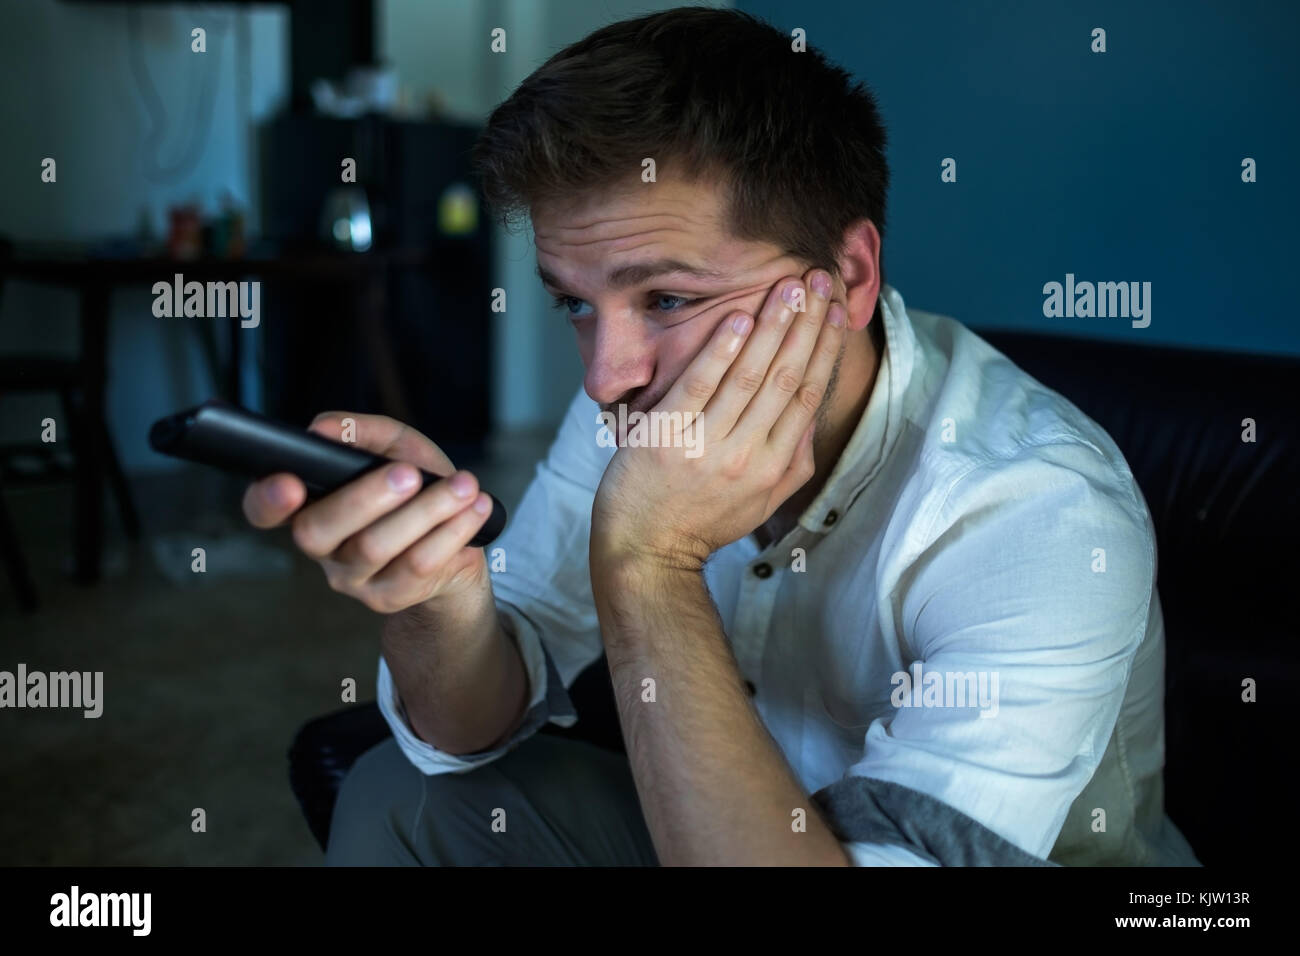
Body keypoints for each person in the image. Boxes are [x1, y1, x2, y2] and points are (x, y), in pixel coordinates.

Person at [244, 7, 1198, 866]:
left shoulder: (1039, 513)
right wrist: (437, 602)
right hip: (731, 825)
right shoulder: (640, 399)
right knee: (401, 795)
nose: (604, 376)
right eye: (576, 304)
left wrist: (648, 561)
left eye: (668, 298)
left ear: (851, 275)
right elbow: (470, 720)